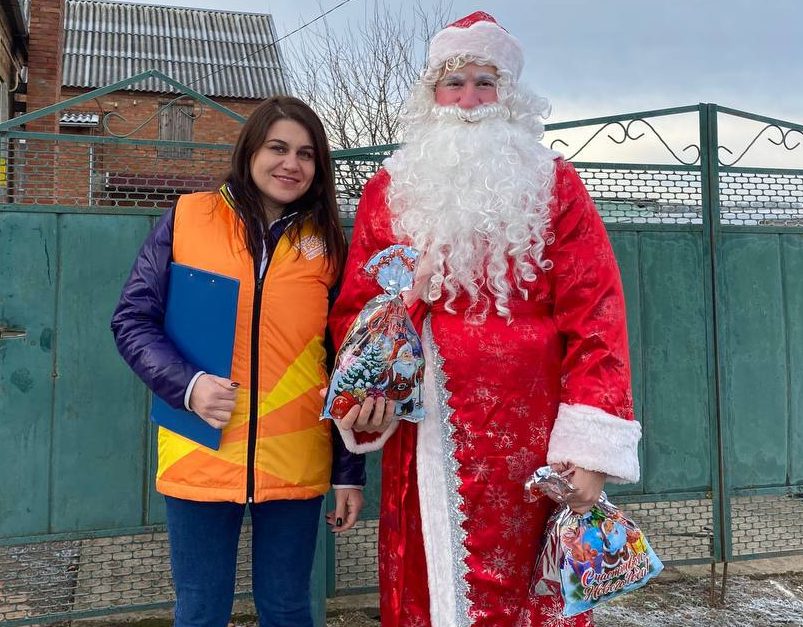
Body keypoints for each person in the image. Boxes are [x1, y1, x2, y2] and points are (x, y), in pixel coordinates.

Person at [328, 12, 642, 627]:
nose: (468, 100)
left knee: (528, 591)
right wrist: (367, 395)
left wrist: (590, 446)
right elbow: (359, 310)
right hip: (428, 428)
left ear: (510, 97)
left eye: (484, 83)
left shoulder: (556, 186)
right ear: (431, 95)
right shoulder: (391, 190)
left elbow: (597, 314)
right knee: (429, 582)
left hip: (534, 437)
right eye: (454, 83)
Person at [111, 96, 365, 627]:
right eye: (278, 148)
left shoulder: (328, 243)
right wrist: (187, 385)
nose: (291, 164)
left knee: (289, 608)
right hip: (198, 448)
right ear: (250, 150)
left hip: (294, 455)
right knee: (201, 611)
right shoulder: (187, 217)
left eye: (306, 153)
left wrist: (350, 472)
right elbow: (132, 320)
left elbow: (347, 362)